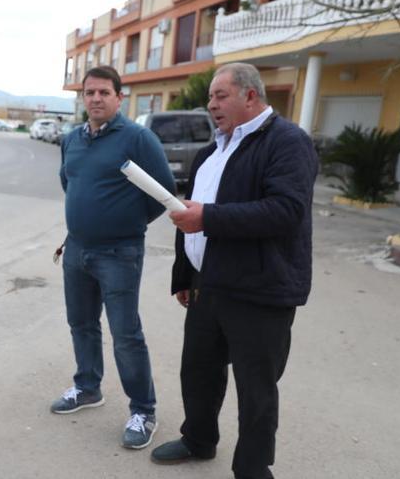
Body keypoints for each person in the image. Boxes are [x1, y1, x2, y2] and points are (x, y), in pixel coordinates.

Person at [151, 63, 318, 478]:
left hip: (260, 290)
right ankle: (199, 439)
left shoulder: (287, 142)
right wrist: (185, 277)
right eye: (210, 97)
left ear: (250, 95)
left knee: (256, 388)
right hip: (210, 286)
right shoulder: (212, 151)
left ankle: (253, 468)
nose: (211, 105)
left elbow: (285, 211)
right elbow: (187, 215)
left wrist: (207, 219)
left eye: (219, 95)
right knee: (199, 371)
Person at [52, 65, 176, 450]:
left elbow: (164, 194)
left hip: (119, 253)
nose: (95, 99)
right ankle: (87, 388)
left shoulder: (138, 138)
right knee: (81, 323)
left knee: (125, 334)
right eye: (89, 93)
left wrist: (125, 225)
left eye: (104, 92)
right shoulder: (72, 138)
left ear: (119, 98)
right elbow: (68, 182)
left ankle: (143, 410)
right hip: (77, 248)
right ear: (83, 97)